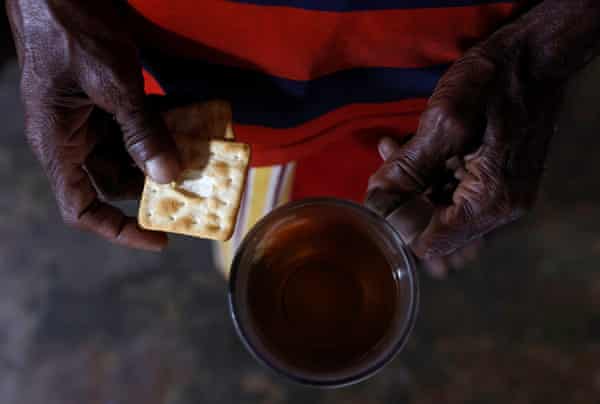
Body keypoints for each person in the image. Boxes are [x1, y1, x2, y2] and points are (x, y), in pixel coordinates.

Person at [6, 0, 600, 277]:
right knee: (265, 242)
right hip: (189, 70)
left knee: (426, 180)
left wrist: (534, 52)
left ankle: (427, 224)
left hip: (456, 68)